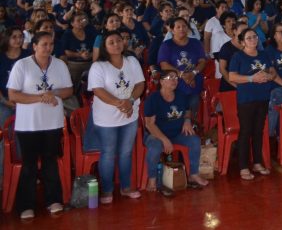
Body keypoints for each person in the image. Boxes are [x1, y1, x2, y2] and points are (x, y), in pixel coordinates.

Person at [6, 31, 74, 219]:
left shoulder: (59, 64)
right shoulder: (22, 65)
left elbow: (69, 90)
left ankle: (53, 200)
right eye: (44, 44)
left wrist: (55, 93)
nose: (48, 48)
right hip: (28, 125)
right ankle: (26, 205)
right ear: (34, 46)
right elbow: (13, 95)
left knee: (50, 162)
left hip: (52, 122)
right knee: (29, 166)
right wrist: (40, 97)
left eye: (51, 44)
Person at [87, 31, 146, 203]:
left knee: (126, 152)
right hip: (106, 118)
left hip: (130, 115)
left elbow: (140, 84)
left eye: (119, 40)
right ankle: (107, 190)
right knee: (108, 153)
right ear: (105, 47)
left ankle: (126, 187)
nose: (116, 44)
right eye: (111, 42)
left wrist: (130, 101)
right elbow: (98, 90)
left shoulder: (132, 61)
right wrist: (121, 104)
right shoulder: (98, 66)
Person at [143, 69, 209, 191]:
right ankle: (152, 179)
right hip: (156, 134)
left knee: (194, 140)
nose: (174, 80)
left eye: (176, 78)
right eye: (170, 78)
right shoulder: (153, 98)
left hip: (176, 133)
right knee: (155, 147)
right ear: (162, 81)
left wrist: (187, 121)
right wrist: (164, 139)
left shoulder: (180, 95)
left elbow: (188, 109)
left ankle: (194, 174)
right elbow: (149, 124)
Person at [227, 28, 277, 180]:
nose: (253, 40)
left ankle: (257, 162)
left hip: (262, 97)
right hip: (246, 99)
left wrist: (267, 76)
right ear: (242, 42)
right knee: (246, 131)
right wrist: (251, 79)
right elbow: (232, 77)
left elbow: (273, 72)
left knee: (258, 131)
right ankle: (243, 166)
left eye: (255, 37)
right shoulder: (238, 56)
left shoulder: (264, 54)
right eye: (249, 38)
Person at [157, 17, 207, 119]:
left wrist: (193, 73)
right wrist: (182, 75)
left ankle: (190, 125)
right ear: (171, 30)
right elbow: (164, 64)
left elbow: (202, 61)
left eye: (184, 26)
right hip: (174, 83)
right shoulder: (167, 45)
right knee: (177, 107)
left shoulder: (195, 43)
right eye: (178, 27)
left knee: (193, 102)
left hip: (194, 79)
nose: (182, 29)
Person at [0, 27, 28, 127]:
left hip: (26, 97)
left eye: (21, 36)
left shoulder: (28, 56)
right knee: (6, 124)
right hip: (4, 98)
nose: (18, 40)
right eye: (14, 37)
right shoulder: (1, 57)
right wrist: (5, 101)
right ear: (7, 38)